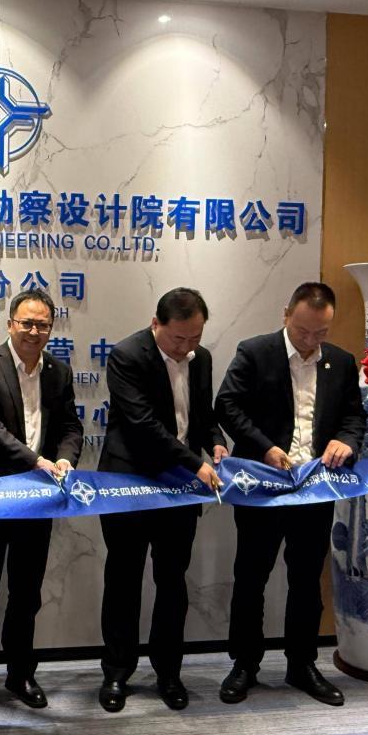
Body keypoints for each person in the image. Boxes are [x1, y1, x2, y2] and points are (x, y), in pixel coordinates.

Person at [215, 281, 365, 707]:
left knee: (306, 579)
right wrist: (265, 446)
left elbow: (354, 417)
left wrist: (346, 441)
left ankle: (302, 664)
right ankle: (245, 664)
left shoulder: (341, 361)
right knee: (251, 576)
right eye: (302, 330)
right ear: (286, 315)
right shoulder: (255, 352)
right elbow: (227, 406)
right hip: (264, 486)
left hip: (314, 489)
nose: (310, 340)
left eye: (321, 332)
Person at [97, 287, 227, 713]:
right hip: (129, 482)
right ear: (156, 324)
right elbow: (143, 424)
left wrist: (216, 442)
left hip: (179, 488)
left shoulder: (200, 358)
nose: (187, 347)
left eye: (195, 338)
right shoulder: (127, 355)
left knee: (172, 580)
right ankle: (117, 671)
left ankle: (169, 672)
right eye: (178, 338)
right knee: (124, 578)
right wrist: (194, 463)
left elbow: (202, 414)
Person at [0, 289, 83, 715]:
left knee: (26, 592)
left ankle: (20, 673)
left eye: (42, 325)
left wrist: (64, 459)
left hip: (36, 499)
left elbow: (70, 426)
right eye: (26, 323)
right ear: (10, 323)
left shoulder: (59, 372)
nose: (34, 331)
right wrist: (36, 460)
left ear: (51, 328)